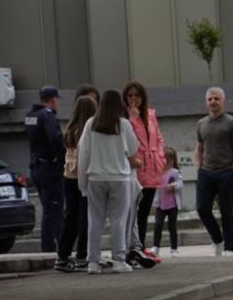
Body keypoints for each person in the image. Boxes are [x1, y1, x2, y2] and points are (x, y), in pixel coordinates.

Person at [76, 88, 141, 274]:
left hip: (95, 178)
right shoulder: (124, 125)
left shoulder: (91, 124)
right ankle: (119, 260)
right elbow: (133, 148)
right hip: (120, 177)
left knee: (95, 220)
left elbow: (83, 154)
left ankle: (93, 262)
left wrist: (82, 183)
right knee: (119, 220)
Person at [194, 87, 233, 256]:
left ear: (223, 101)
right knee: (202, 209)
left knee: (226, 211)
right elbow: (199, 148)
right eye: (210, 99)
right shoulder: (201, 123)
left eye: (216, 98)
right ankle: (218, 240)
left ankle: (229, 248)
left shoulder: (231, 123)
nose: (213, 102)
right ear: (206, 102)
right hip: (206, 173)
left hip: (225, 173)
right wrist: (199, 167)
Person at [123, 80, 167, 253]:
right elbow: (128, 138)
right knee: (133, 210)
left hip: (152, 167)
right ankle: (133, 246)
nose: (134, 99)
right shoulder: (125, 118)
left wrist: (161, 157)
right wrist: (132, 119)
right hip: (136, 167)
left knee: (145, 211)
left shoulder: (150, 114)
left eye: (137, 95)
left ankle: (140, 245)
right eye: (130, 95)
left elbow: (159, 138)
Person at [24, 85, 67, 253]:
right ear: (53, 99)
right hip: (50, 168)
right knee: (53, 210)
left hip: (36, 166)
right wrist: (64, 158)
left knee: (52, 209)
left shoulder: (30, 115)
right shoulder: (47, 115)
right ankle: (49, 248)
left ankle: (63, 244)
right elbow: (55, 138)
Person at [57, 94, 95, 272]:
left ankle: (62, 256)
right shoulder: (89, 130)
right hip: (84, 177)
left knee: (70, 216)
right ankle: (82, 256)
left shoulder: (70, 128)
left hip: (68, 176)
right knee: (85, 217)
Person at [152, 147, 182, 254]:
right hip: (160, 205)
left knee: (172, 227)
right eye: (165, 159)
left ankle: (174, 249)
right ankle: (156, 247)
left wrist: (173, 186)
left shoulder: (175, 172)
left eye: (170, 160)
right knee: (158, 225)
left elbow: (180, 183)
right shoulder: (158, 172)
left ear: (173, 160)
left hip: (172, 205)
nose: (167, 162)